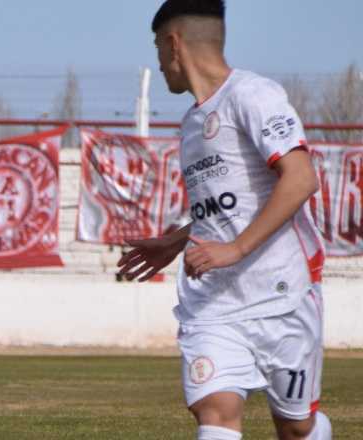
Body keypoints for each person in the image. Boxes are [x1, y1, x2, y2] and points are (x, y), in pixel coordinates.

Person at [117, 2, 331, 439]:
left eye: (158, 48)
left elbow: (300, 177)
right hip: (213, 304)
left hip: (282, 296)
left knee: (295, 428)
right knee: (215, 414)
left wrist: (235, 249)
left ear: (174, 44)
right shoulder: (193, 122)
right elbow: (226, 207)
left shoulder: (252, 95)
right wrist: (176, 241)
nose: (158, 64)